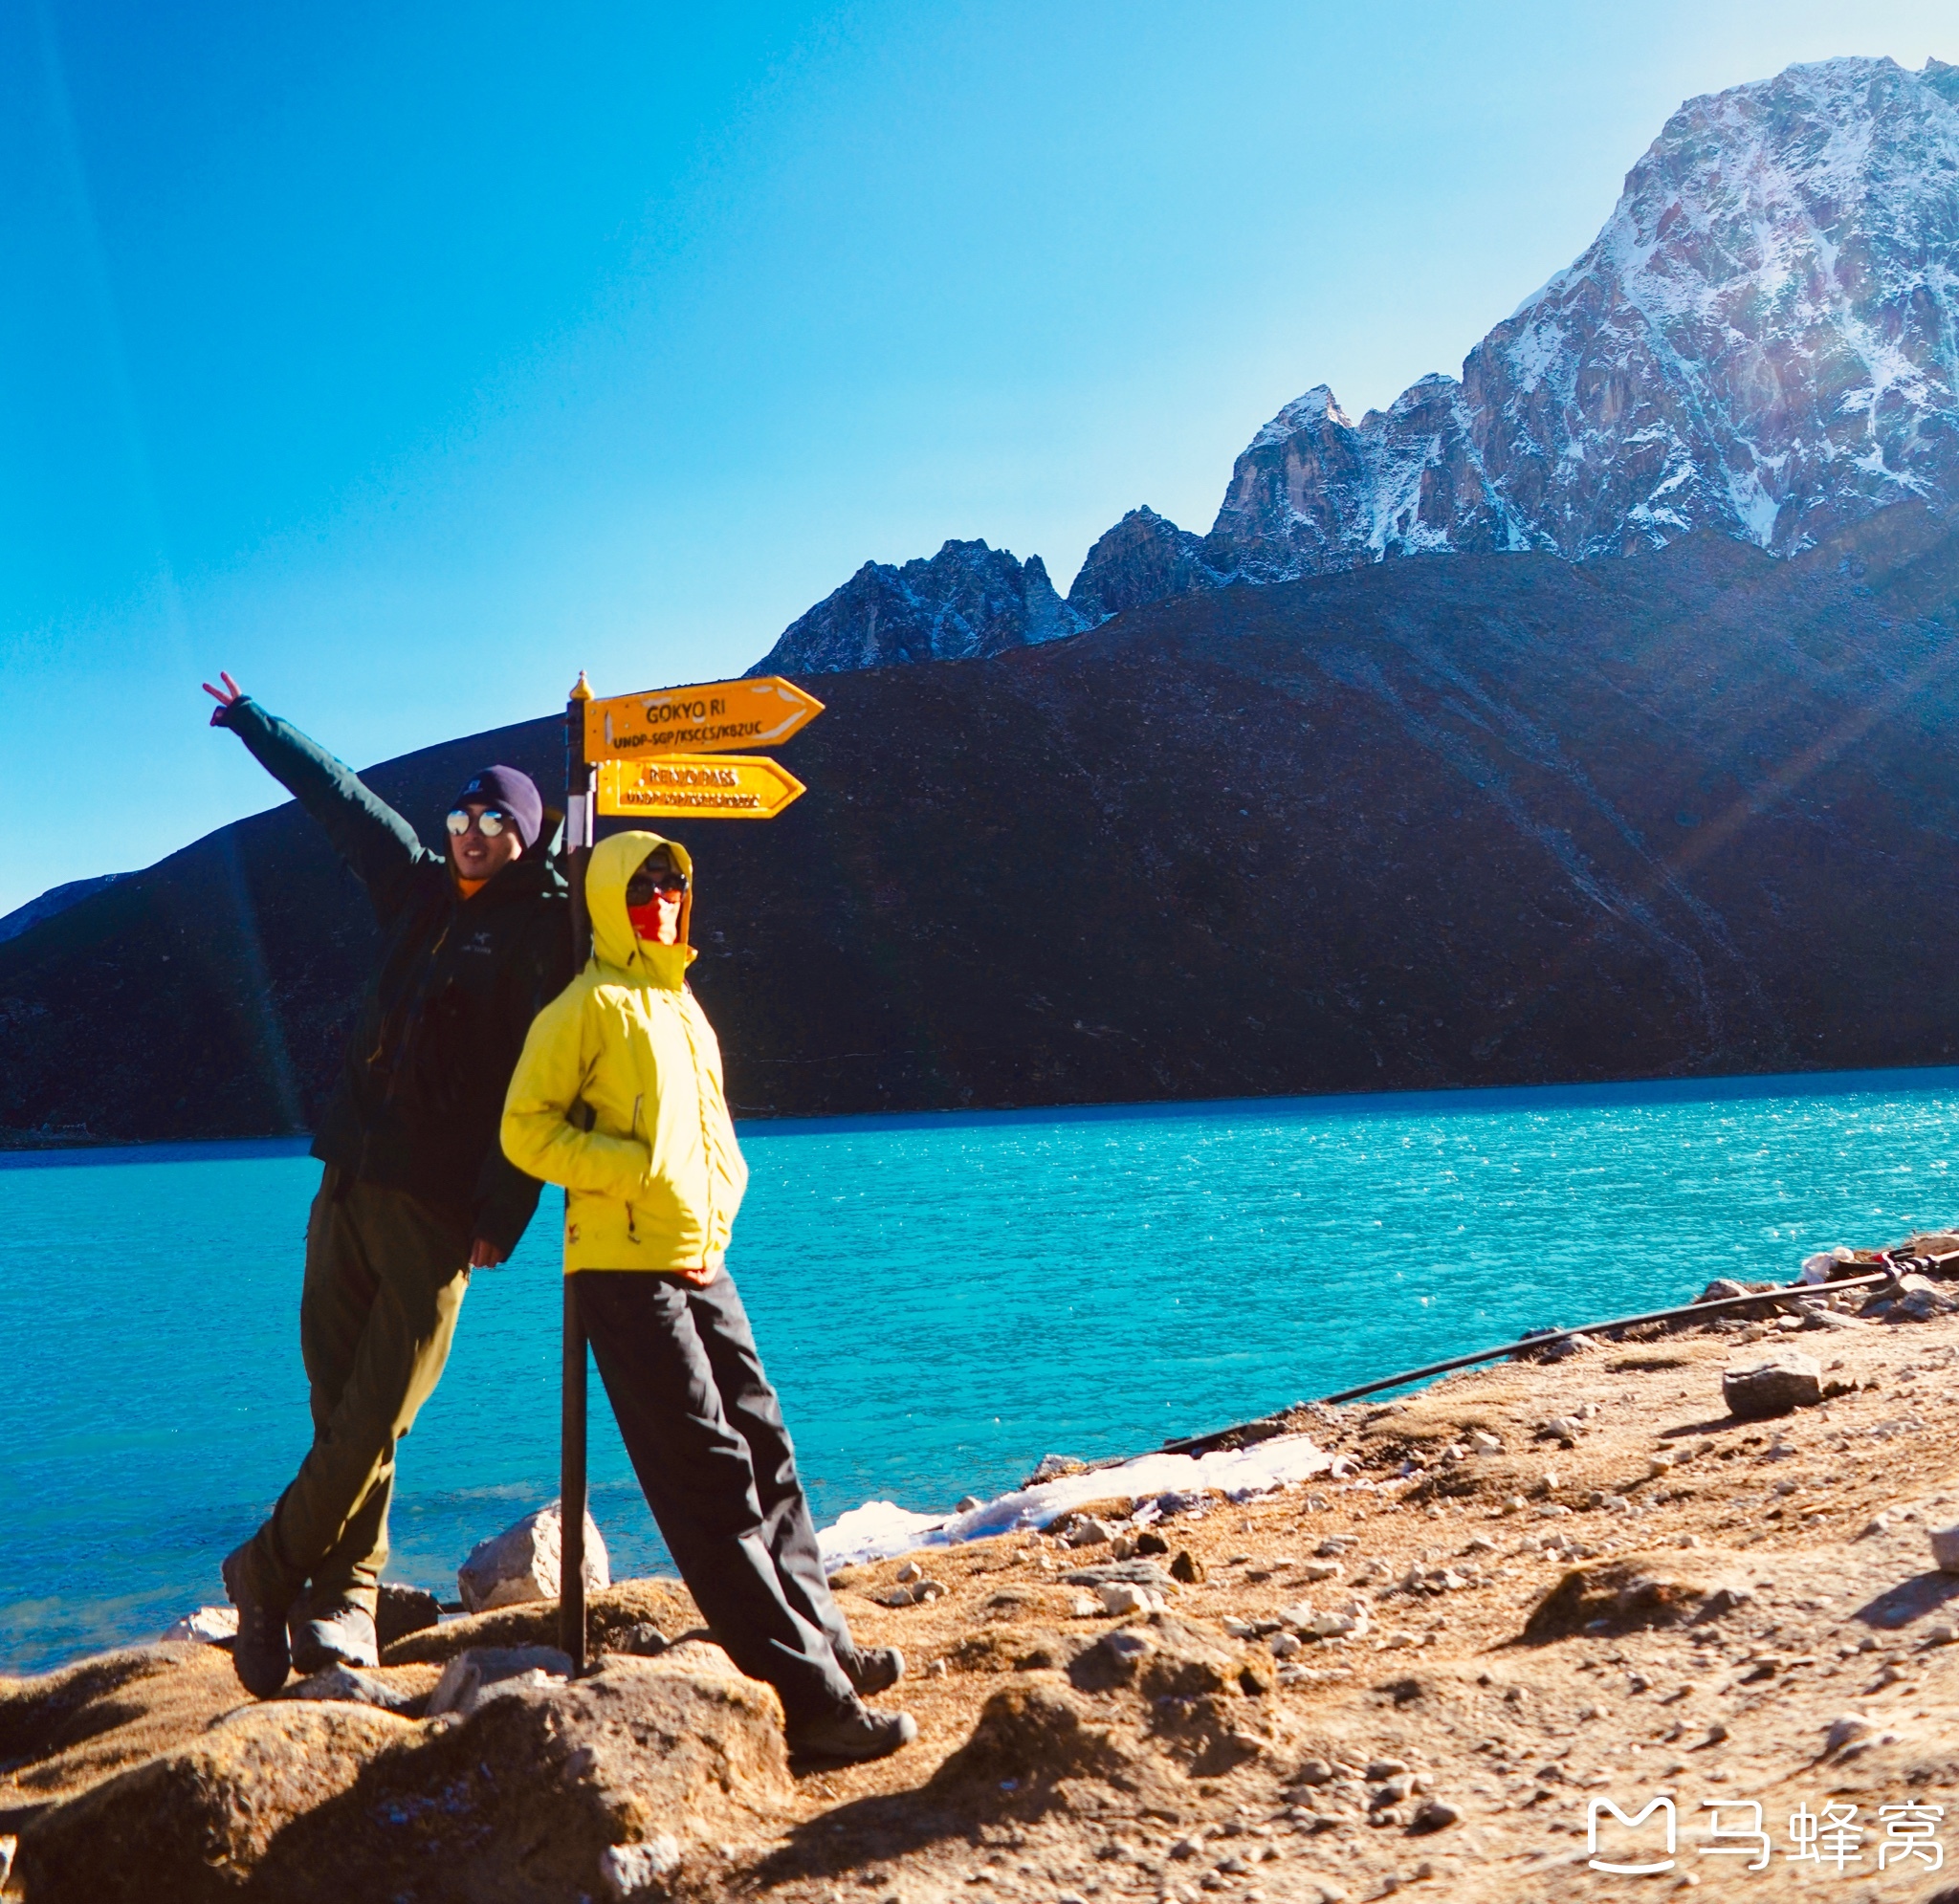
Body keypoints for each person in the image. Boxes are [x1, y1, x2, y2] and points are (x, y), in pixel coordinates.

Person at [500, 830, 915, 1762]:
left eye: (673, 883)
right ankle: (806, 1701)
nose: (660, 896)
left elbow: (714, 1132)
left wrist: (721, 1201)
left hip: (700, 1259)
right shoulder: (585, 1006)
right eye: (642, 883)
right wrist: (623, 1166)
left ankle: (827, 1645)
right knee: (708, 1472)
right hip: (620, 1264)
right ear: (608, 896)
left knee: (765, 1445)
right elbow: (523, 1128)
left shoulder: (682, 1004)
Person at [203, 671, 569, 1695]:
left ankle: (263, 1566)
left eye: (495, 819)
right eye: (462, 812)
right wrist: (257, 725)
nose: (470, 830)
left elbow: (539, 1079)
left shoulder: (539, 933)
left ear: (526, 835)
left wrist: (506, 1209)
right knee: (337, 1401)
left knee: (378, 1411)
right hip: (345, 1184)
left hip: (436, 1204)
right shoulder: (411, 888)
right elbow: (343, 802)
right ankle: (339, 1602)